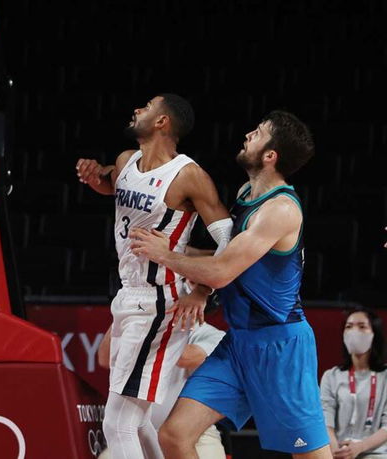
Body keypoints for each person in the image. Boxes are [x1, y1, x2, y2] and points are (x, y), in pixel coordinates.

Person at [131, 110, 332, 458]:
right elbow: (226, 255)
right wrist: (182, 259)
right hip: (239, 343)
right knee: (175, 435)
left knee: (311, 456)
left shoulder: (281, 209)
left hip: (280, 346)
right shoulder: (245, 194)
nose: (248, 134)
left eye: (258, 133)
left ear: (271, 156)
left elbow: (222, 271)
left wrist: (167, 256)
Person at [74, 94, 230, 459]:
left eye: (147, 106)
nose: (137, 109)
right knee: (139, 422)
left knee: (118, 423)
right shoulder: (127, 161)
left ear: (163, 122)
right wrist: (93, 175)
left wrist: (203, 289)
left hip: (161, 300)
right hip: (129, 293)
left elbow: (227, 236)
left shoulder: (188, 175)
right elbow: (110, 185)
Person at [98, 321, 229, 459]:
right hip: (135, 436)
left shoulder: (209, 334)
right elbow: (105, 358)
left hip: (195, 437)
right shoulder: (136, 322)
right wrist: (125, 315)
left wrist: (138, 338)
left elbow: (187, 358)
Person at [319, 307, 387, 458]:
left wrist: (359, 447)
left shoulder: (385, 377)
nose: (354, 332)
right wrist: (337, 450)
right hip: (337, 451)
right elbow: (325, 419)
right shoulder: (331, 376)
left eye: (362, 326)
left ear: (374, 334)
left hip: (377, 454)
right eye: (348, 327)